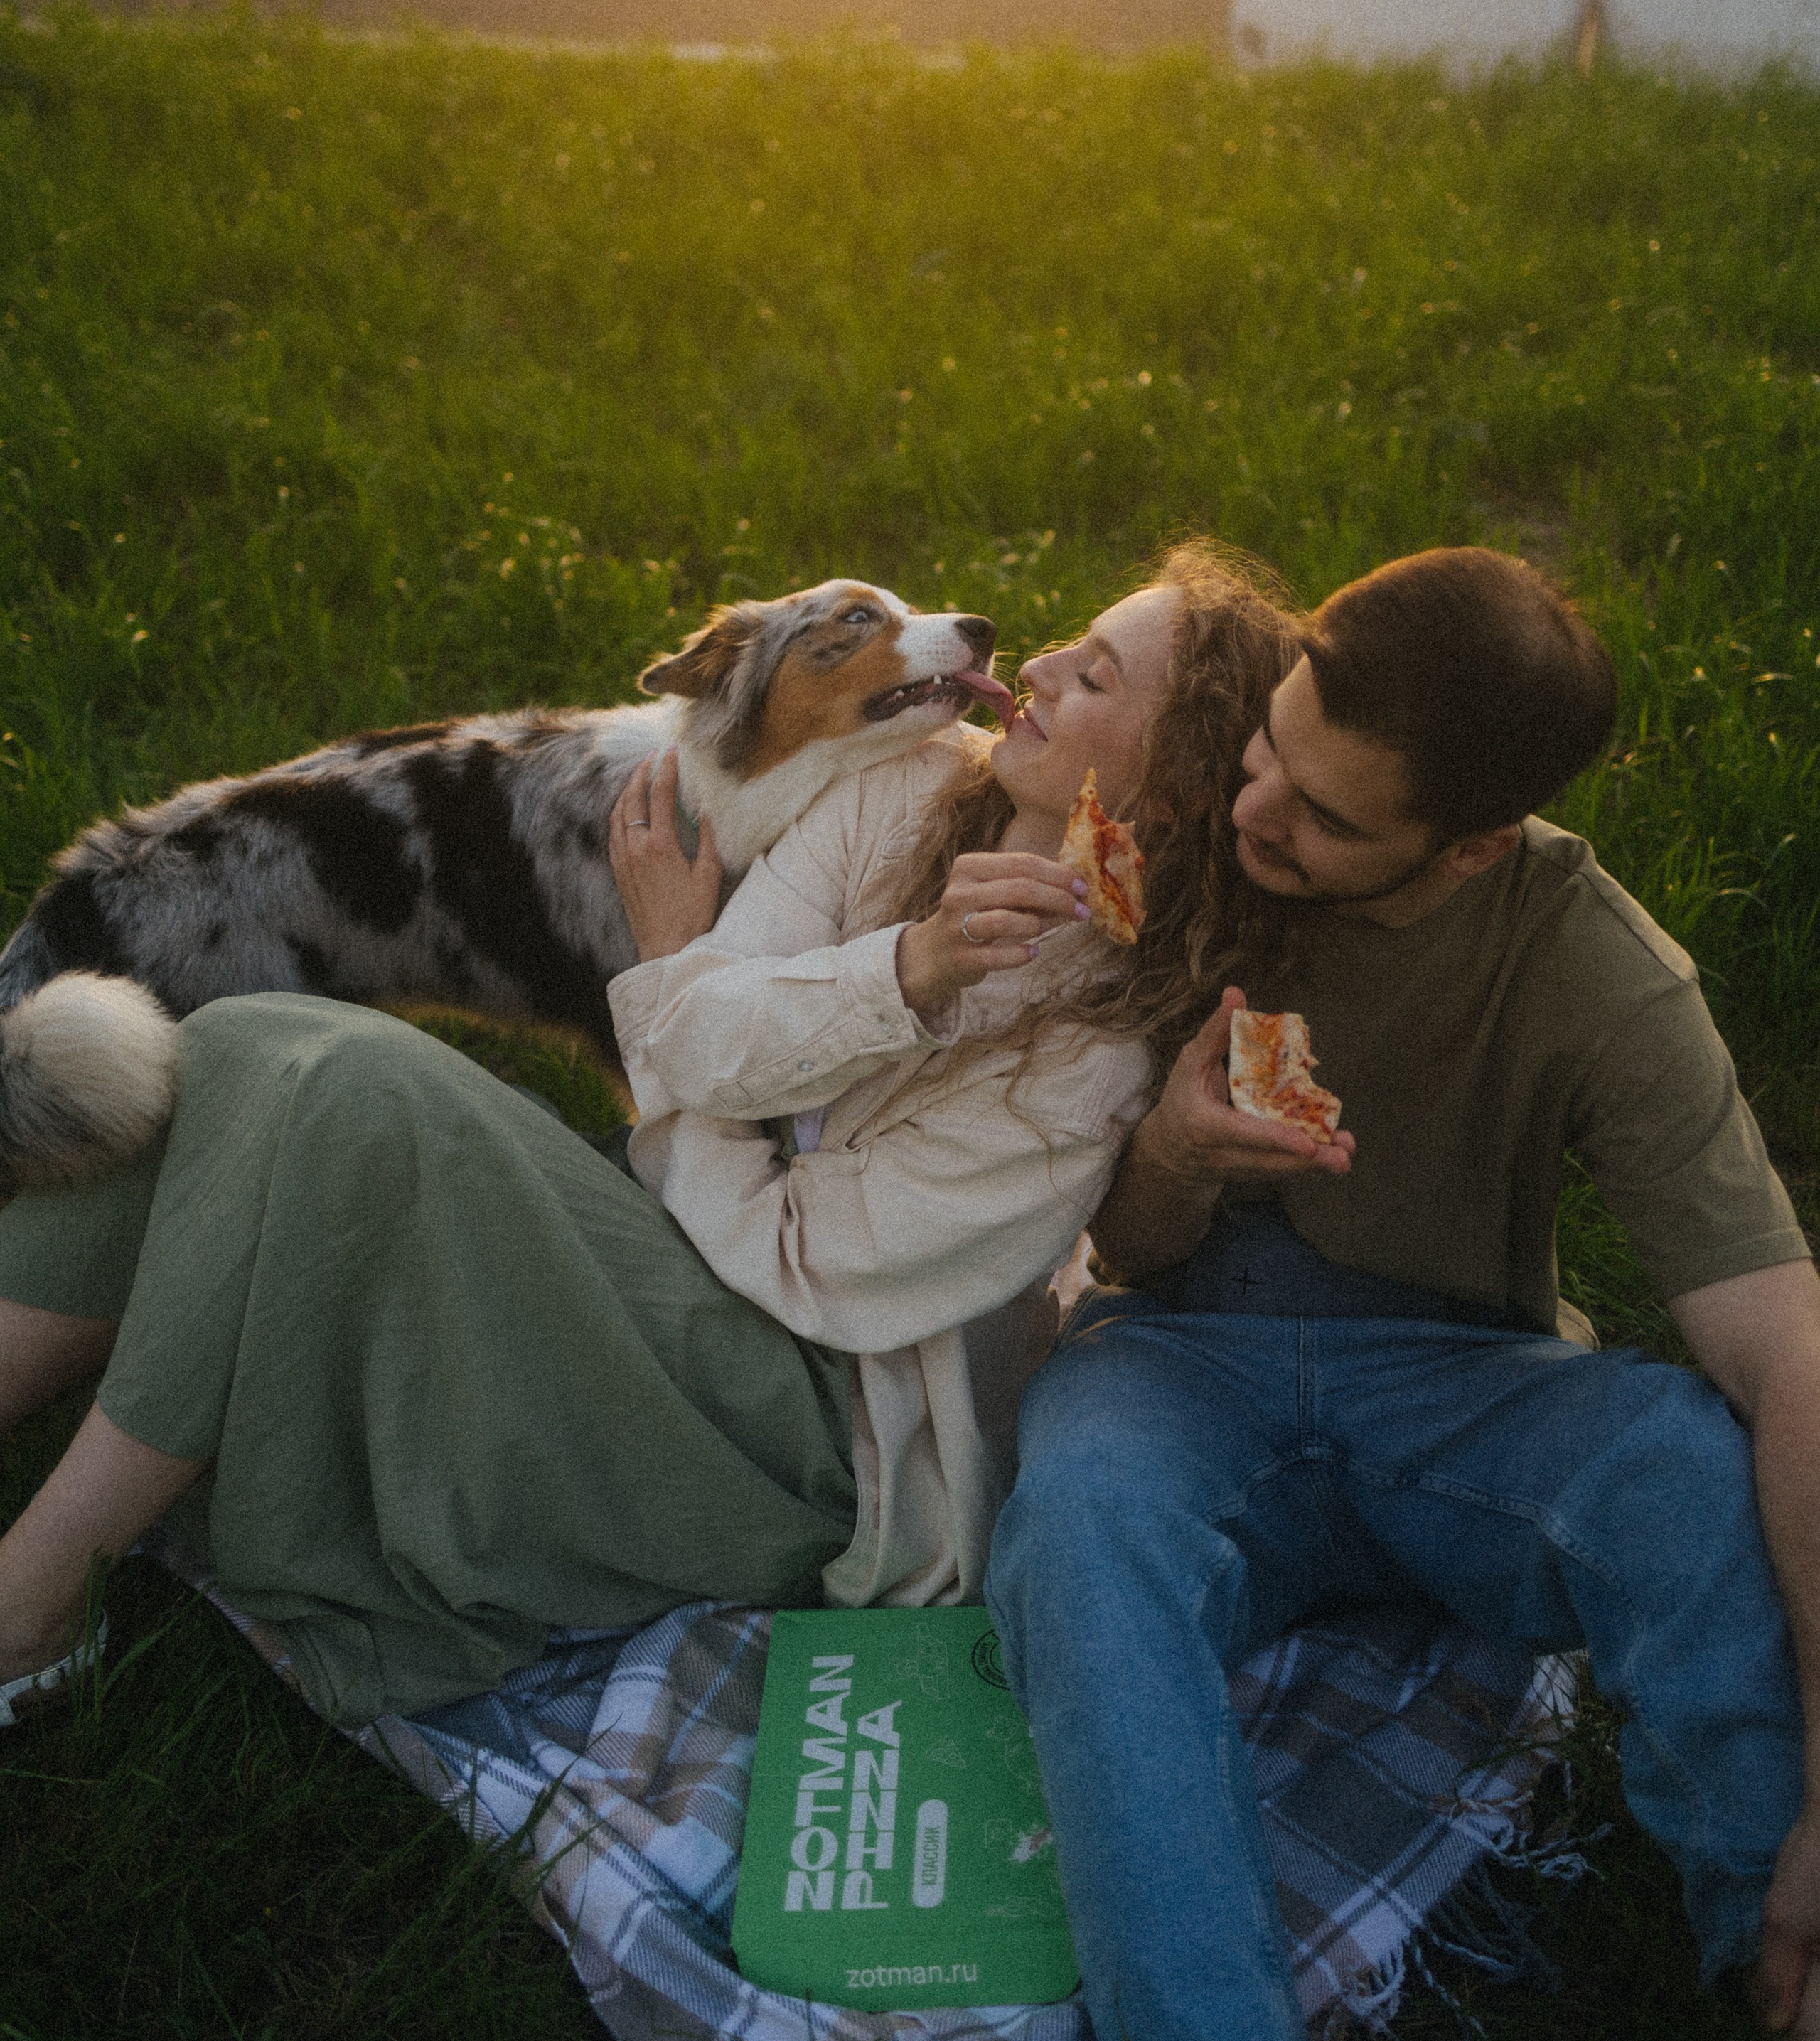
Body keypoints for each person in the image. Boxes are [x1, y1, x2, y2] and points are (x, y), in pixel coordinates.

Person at [0, 545, 1295, 1732]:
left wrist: (727, 983)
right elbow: (692, 1035)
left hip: (799, 1423)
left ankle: (32, 1608)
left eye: (1098, 674)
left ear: (1175, 793)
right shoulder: (904, 793)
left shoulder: (1089, 1055)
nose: (1045, 657)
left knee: (346, 1092)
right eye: (1076, 639)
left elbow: (799, 1257)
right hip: (700, 1249)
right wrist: (875, 970)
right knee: (231, 1048)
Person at [986, 545, 1820, 2041]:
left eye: (1322, 816)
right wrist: (1163, 1156)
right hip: (1174, 1362)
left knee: (1676, 1469)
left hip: (1462, 1390)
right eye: (1264, 751)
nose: (1251, 815)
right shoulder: (1183, 835)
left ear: (1468, 845)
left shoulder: (1585, 962)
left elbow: (1786, 1353)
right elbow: (1128, 1250)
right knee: (1080, 1511)